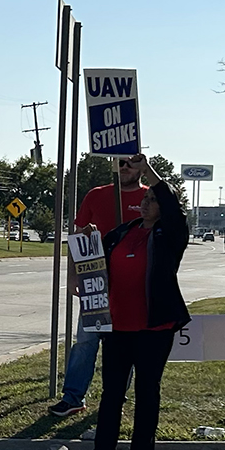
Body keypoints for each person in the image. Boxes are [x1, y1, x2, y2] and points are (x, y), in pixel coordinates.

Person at [79, 178, 191, 450]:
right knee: (112, 394)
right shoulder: (119, 234)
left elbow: (174, 210)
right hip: (117, 327)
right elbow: (94, 267)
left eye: (153, 200)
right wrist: (88, 246)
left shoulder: (169, 234)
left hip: (154, 327)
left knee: (147, 392)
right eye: (145, 199)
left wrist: (150, 174)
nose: (145, 203)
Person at [49, 154, 153, 418]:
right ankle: (73, 397)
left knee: (124, 343)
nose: (126, 167)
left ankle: (117, 396)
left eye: (131, 162)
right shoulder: (96, 195)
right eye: (121, 163)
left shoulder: (150, 199)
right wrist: (73, 275)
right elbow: (76, 235)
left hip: (132, 286)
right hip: (95, 282)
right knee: (85, 341)